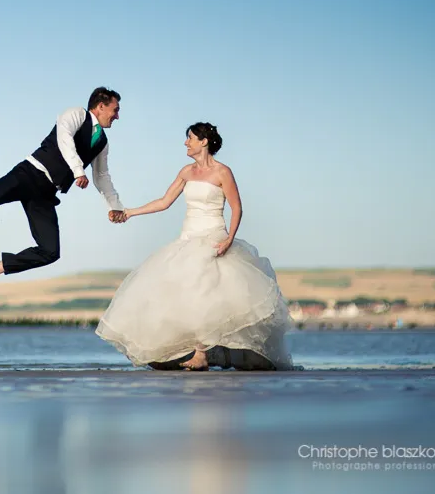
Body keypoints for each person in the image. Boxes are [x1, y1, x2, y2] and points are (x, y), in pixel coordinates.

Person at [95, 122, 293, 371]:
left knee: (205, 293)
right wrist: (129, 212)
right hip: (188, 238)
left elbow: (237, 208)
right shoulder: (186, 172)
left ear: (204, 141)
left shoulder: (223, 172)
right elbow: (164, 201)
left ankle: (202, 354)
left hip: (213, 237)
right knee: (178, 296)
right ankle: (182, 352)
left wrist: (229, 239)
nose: (186, 142)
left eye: (190, 138)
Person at [0, 87, 127, 297]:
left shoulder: (102, 142)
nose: (117, 116)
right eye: (115, 109)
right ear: (101, 106)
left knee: (50, 251)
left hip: (46, 194)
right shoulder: (76, 114)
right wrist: (77, 170)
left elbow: (102, 176)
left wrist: (115, 207)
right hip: (29, 174)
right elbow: (63, 138)